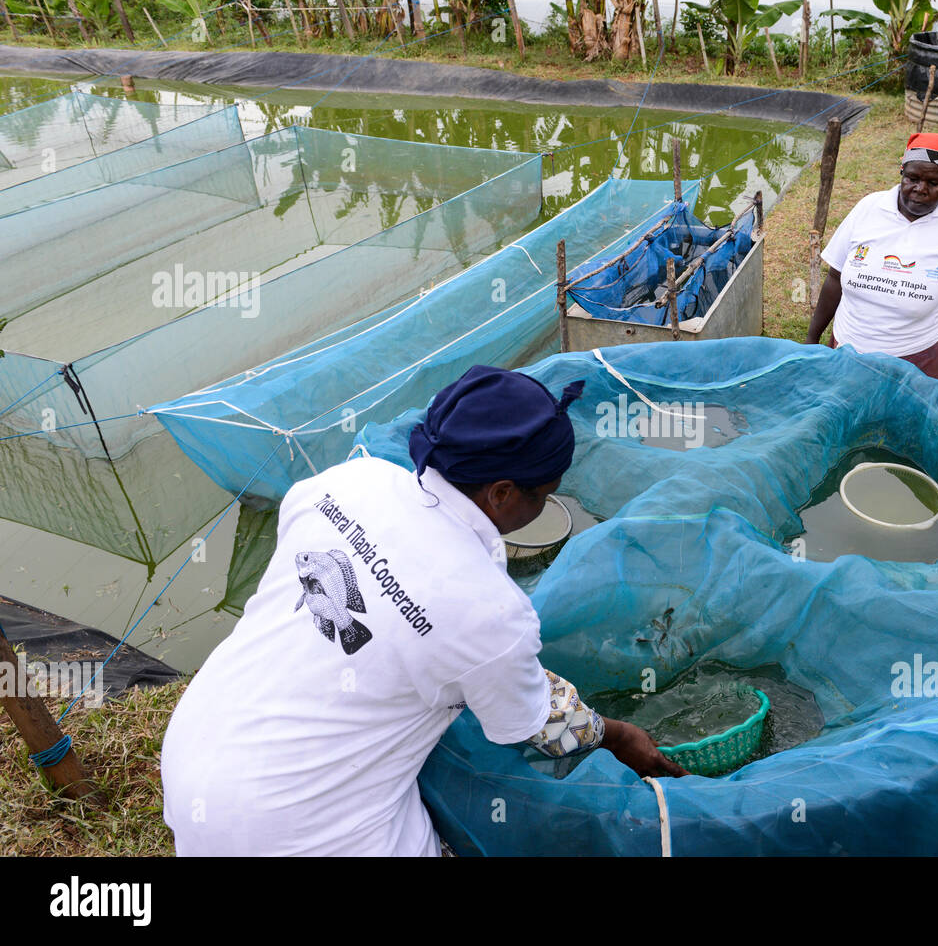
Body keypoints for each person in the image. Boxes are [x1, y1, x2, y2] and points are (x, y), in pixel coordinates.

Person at [161, 365, 685, 857]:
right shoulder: (492, 614)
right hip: (290, 830)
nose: (545, 506)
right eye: (545, 496)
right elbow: (536, 727)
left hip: (193, 760)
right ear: (502, 493)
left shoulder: (342, 483)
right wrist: (621, 736)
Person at [806, 133, 938, 394]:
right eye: (912, 178)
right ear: (902, 172)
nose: (920, 189)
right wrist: (813, 337)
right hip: (849, 347)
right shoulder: (869, 208)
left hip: (919, 358)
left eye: (933, 182)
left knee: (906, 427)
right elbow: (835, 278)